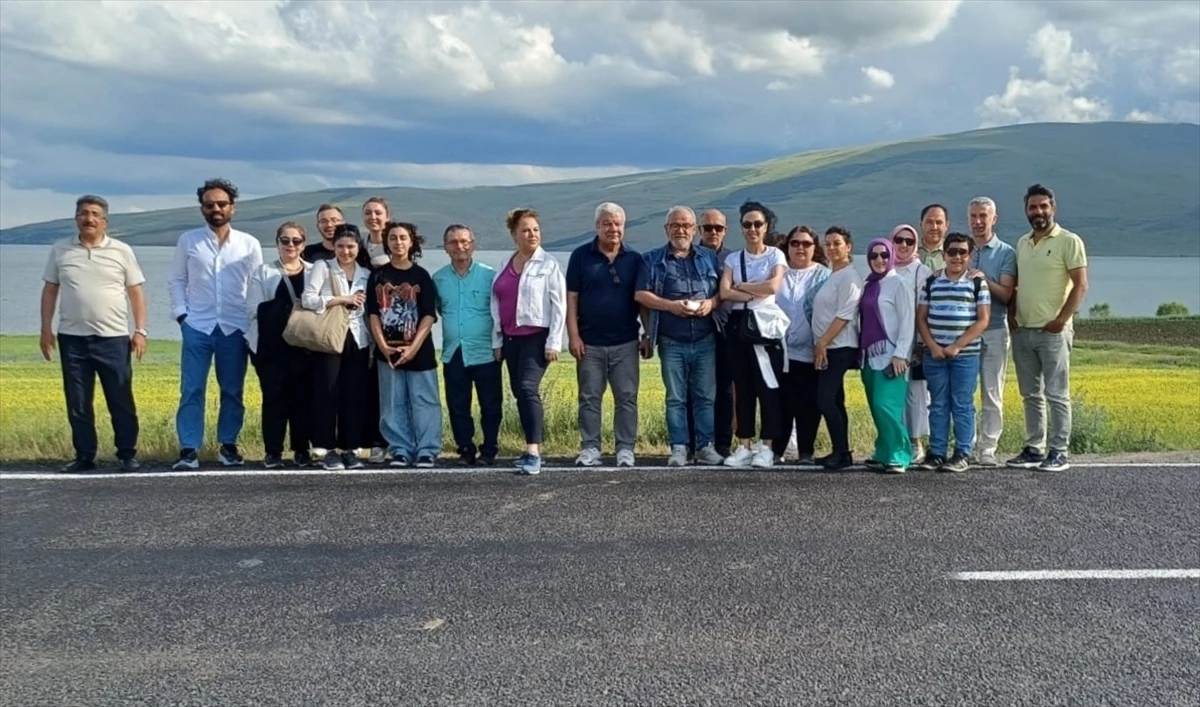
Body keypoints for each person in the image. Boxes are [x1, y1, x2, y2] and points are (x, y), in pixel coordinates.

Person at [40, 195, 147, 474]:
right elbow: (51, 290)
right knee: (77, 402)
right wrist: (45, 329)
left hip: (112, 338)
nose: (89, 218)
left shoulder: (121, 251)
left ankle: (127, 454)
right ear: (76, 218)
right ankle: (84, 456)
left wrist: (140, 331)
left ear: (104, 220)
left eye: (95, 214)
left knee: (121, 400)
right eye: (84, 213)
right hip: (72, 339)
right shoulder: (60, 250)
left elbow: (135, 291)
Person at [168, 178, 263, 470]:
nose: (216, 209)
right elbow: (177, 280)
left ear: (232, 207)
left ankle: (228, 446)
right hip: (197, 325)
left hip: (235, 327)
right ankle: (188, 449)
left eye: (222, 204)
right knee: (192, 389)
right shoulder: (189, 240)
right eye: (210, 205)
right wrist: (182, 316)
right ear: (202, 209)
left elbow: (257, 285)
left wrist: (252, 322)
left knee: (232, 390)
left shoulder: (249, 243)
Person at [1006, 184, 1088, 472]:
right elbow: (1017, 285)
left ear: (1053, 208)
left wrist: (1062, 320)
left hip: (1053, 332)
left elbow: (1081, 285)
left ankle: (1059, 452)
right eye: (1033, 207)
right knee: (1030, 394)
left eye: (1043, 206)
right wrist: (1012, 315)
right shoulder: (1022, 243)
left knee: (1056, 394)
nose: (1038, 212)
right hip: (1023, 331)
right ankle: (1034, 448)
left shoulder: (1069, 240)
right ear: (1026, 210)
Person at [635, 206, 724, 467]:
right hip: (671, 340)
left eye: (686, 225)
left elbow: (723, 291)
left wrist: (712, 303)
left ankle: (706, 447)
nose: (681, 229)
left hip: (706, 339)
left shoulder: (709, 257)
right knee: (675, 398)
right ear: (666, 229)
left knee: (705, 397)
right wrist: (671, 306)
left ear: (695, 230)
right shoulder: (651, 259)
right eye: (675, 225)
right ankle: (679, 448)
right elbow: (641, 294)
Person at [566, 202, 648, 468]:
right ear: (597, 226)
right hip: (589, 343)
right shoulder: (580, 256)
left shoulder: (635, 259)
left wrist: (648, 334)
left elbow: (642, 301)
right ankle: (591, 448)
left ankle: (625, 449)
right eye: (607, 223)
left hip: (626, 342)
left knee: (626, 397)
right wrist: (574, 336)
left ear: (624, 227)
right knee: (589, 398)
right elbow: (572, 299)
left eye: (617, 224)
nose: (613, 229)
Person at [492, 208, 567, 475]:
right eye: (525, 230)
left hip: (537, 337)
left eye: (535, 229)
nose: (532, 234)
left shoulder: (548, 264)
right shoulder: (504, 263)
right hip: (511, 339)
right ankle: (530, 449)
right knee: (518, 391)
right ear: (514, 234)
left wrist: (554, 342)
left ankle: (534, 451)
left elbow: (559, 305)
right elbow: (496, 302)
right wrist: (497, 340)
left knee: (526, 388)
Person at [718, 201, 788, 469]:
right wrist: (753, 292)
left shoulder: (775, 256)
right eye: (747, 224)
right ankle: (744, 443)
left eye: (757, 224)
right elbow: (724, 292)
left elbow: (773, 286)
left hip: (765, 327)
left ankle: (767, 446)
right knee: (743, 388)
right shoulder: (734, 258)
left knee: (768, 387)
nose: (752, 229)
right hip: (739, 325)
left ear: (766, 227)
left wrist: (743, 287)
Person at [915, 232, 991, 473]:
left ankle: (962, 452)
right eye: (952, 252)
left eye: (962, 252)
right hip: (934, 355)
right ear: (944, 254)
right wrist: (933, 347)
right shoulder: (932, 282)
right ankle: (936, 452)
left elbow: (983, 320)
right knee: (937, 404)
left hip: (965, 355)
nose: (957, 257)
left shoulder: (978, 283)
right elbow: (921, 318)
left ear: (970, 256)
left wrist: (957, 346)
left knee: (962, 403)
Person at [369, 221, 442, 468]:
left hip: (419, 352)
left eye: (403, 238)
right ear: (387, 242)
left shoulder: (421, 276)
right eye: (393, 238)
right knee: (392, 402)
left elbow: (429, 315)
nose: (398, 242)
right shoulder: (378, 275)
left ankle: (427, 450)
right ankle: (400, 449)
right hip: (387, 352)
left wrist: (413, 348)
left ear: (412, 242)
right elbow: (373, 314)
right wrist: (383, 346)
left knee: (425, 401)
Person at [303, 225, 372, 471]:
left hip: (358, 338)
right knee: (327, 392)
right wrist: (342, 300)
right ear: (334, 246)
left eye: (351, 246)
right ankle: (327, 448)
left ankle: (351, 448)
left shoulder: (365, 273)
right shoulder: (323, 267)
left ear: (358, 248)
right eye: (341, 246)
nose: (346, 251)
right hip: (330, 336)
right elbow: (308, 299)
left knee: (353, 395)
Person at [246, 221, 315, 469]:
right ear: (277, 244)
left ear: (303, 244)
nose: (290, 245)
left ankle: (301, 450)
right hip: (271, 348)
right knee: (274, 399)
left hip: (304, 347)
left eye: (296, 241)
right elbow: (253, 308)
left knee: (302, 399)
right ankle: (273, 451)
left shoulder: (314, 271)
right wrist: (287, 310)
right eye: (285, 240)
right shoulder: (263, 272)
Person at [433, 224, 501, 467]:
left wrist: (498, 343)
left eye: (464, 241)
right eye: (453, 242)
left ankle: (490, 449)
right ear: (445, 248)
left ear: (473, 244)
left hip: (485, 351)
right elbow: (440, 309)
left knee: (490, 405)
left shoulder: (490, 275)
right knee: (457, 405)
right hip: (454, 352)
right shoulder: (438, 278)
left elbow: (498, 312)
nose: (459, 246)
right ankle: (465, 449)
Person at [965, 197, 1017, 467]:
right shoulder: (962, 250)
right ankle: (966, 445)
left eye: (983, 216)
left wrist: (983, 278)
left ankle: (988, 447)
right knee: (963, 392)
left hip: (995, 329)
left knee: (992, 391)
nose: (977, 221)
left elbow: (1007, 295)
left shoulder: (1006, 253)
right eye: (973, 216)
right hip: (964, 332)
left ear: (993, 219)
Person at [772, 226, 830, 465]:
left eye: (806, 244)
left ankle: (806, 451)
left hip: (812, 351)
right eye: (795, 243)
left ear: (814, 247)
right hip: (780, 351)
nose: (800, 248)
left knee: (809, 404)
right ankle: (776, 450)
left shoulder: (824, 276)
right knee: (781, 403)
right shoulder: (777, 274)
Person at [859, 239, 916, 474]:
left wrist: (901, 354)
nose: (879, 260)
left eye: (884, 255)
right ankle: (883, 451)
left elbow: (907, 321)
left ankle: (900, 454)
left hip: (892, 357)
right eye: (874, 256)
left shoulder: (899, 284)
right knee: (875, 406)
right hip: (869, 357)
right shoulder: (869, 285)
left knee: (886, 405)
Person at [811, 226, 863, 470]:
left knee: (825, 398)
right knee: (836, 400)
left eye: (837, 243)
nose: (831, 248)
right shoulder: (834, 275)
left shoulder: (850, 277)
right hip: (830, 346)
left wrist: (822, 342)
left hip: (840, 346)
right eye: (828, 243)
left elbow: (845, 314)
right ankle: (841, 451)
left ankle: (841, 451)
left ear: (848, 247)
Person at [890, 224, 934, 463]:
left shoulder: (922, 272)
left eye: (909, 241)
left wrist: (921, 341)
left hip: (915, 343)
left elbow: (925, 310)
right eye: (898, 240)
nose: (903, 245)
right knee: (891, 394)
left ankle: (916, 443)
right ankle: (895, 441)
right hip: (888, 342)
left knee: (915, 394)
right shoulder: (885, 269)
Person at [697, 208, 735, 456]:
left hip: (726, 331)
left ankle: (722, 443)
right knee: (695, 390)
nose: (713, 232)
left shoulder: (733, 260)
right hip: (696, 331)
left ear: (725, 231)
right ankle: (695, 442)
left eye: (718, 228)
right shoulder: (689, 256)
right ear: (699, 230)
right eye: (708, 228)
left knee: (724, 390)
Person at [361, 197, 392, 268]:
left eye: (378, 213)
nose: (373, 217)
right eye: (367, 213)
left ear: (387, 217)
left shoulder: (396, 245)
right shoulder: (359, 246)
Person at [919, 204, 949, 271]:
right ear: (921, 224)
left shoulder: (954, 253)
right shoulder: (908, 251)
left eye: (939, 222)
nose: (934, 227)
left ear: (947, 225)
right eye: (929, 222)